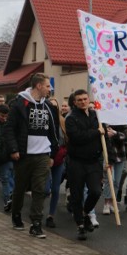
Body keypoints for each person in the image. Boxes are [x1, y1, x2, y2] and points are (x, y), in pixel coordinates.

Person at [4, 73, 59, 239]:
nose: (50, 89)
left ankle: (36, 224)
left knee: (39, 189)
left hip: (42, 154)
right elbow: (9, 129)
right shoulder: (20, 103)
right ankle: (16, 214)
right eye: (48, 86)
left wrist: (53, 153)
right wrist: (14, 149)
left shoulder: (49, 106)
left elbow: (54, 132)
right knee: (20, 187)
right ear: (39, 86)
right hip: (23, 154)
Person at [65, 89, 110, 241]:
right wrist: (96, 132)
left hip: (93, 162)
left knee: (96, 191)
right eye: (79, 100)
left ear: (88, 99)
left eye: (85, 99)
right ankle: (80, 226)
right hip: (76, 162)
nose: (83, 102)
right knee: (77, 195)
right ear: (75, 102)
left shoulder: (96, 116)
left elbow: (105, 138)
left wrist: (108, 158)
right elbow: (77, 137)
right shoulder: (70, 118)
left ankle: (85, 214)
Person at [45, 97, 68, 228]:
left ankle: (51, 215)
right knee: (45, 189)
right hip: (45, 159)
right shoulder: (44, 121)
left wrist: (63, 152)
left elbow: (66, 140)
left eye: (55, 107)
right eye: (50, 106)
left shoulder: (62, 121)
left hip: (59, 160)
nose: (53, 108)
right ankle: (38, 210)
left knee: (55, 188)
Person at [102, 124, 127, 215]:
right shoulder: (105, 123)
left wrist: (114, 133)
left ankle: (112, 203)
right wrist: (107, 133)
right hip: (108, 156)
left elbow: (126, 136)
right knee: (109, 180)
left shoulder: (124, 123)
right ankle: (106, 203)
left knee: (117, 181)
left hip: (120, 156)